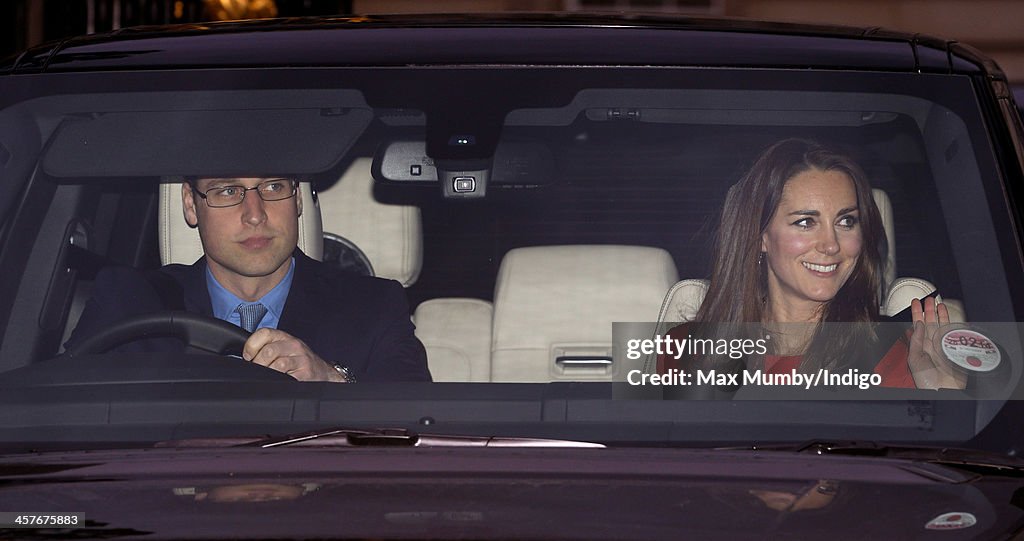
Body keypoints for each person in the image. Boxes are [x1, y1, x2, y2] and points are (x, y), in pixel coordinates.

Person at [658, 138, 965, 390]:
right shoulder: (687, 350)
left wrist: (945, 394)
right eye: (805, 222)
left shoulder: (903, 354)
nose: (831, 244)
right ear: (761, 235)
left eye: (846, 221)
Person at [65, 176, 432, 383]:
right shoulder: (130, 303)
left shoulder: (373, 306)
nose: (255, 215)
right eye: (228, 191)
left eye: (273, 187)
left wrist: (332, 381)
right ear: (191, 205)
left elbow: (417, 435)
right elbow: (65, 421)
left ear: (298, 200)